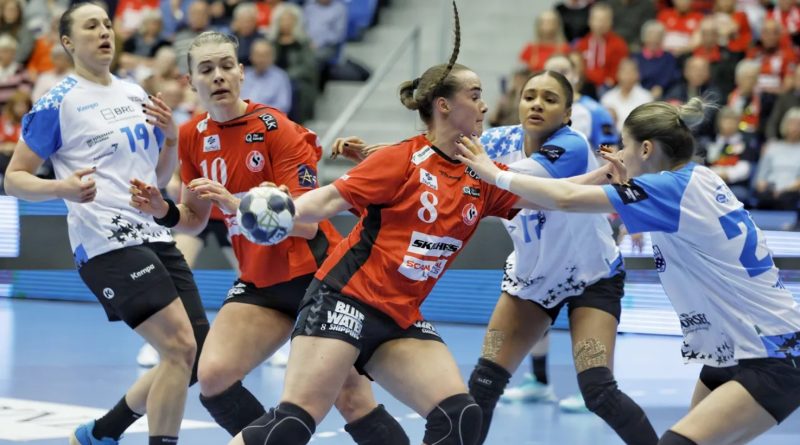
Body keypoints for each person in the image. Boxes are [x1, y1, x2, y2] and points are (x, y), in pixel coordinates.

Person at [228, 4, 521, 444]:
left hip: (398, 315)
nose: (484, 105)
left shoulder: (483, 175)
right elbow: (326, 200)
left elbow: (554, 197)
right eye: (475, 95)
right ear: (444, 105)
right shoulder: (400, 157)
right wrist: (270, 209)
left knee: (459, 416)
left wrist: (612, 185)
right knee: (292, 424)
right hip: (344, 300)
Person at [455, 97, 800, 445]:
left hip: (772, 352)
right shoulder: (699, 178)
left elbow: (565, 198)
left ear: (646, 149)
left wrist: (495, 174)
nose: (620, 154)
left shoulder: (667, 190)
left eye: (625, 145)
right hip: (733, 347)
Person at [129, 31, 408, 444]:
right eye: (206, 69)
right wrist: (162, 211)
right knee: (214, 376)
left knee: (351, 397)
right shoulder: (191, 135)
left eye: (227, 66)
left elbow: (307, 223)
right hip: (260, 279)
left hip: (317, 277)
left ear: (241, 73)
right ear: (190, 81)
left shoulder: (278, 128)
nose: (218, 75)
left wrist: (235, 204)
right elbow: (194, 219)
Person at [3, 3, 209, 445]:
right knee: (179, 347)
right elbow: (14, 178)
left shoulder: (134, 93)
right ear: (67, 42)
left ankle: (101, 433)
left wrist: (170, 139)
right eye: (91, 26)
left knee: (197, 353)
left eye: (107, 25)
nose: (104, 32)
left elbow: (157, 175)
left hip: (153, 232)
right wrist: (61, 188)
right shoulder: (57, 102)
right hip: (105, 242)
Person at [467, 70, 657, 445]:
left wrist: (475, 168)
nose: (537, 104)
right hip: (532, 280)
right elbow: (440, 154)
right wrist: (386, 155)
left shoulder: (570, 145)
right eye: (530, 96)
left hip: (591, 277)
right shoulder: (497, 140)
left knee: (599, 392)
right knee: (482, 386)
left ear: (568, 113)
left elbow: (511, 183)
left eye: (550, 99)